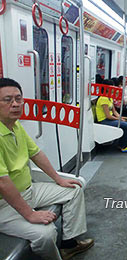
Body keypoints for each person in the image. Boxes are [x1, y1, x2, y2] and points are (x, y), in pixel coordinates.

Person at [0, 78, 94, 260]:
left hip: (29, 190)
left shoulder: (15, 126)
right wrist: (29, 214)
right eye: (7, 100)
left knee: (73, 190)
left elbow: (36, 154)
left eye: (18, 99)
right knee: (46, 234)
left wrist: (59, 180)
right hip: (4, 204)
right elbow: (3, 184)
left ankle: (69, 245)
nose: (15, 104)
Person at [96, 79, 127, 153]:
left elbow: (114, 111)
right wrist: (119, 120)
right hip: (104, 121)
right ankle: (123, 146)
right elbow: (108, 116)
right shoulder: (103, 99)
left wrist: (121, 118)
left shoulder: (110, 97)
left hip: (110, 119)